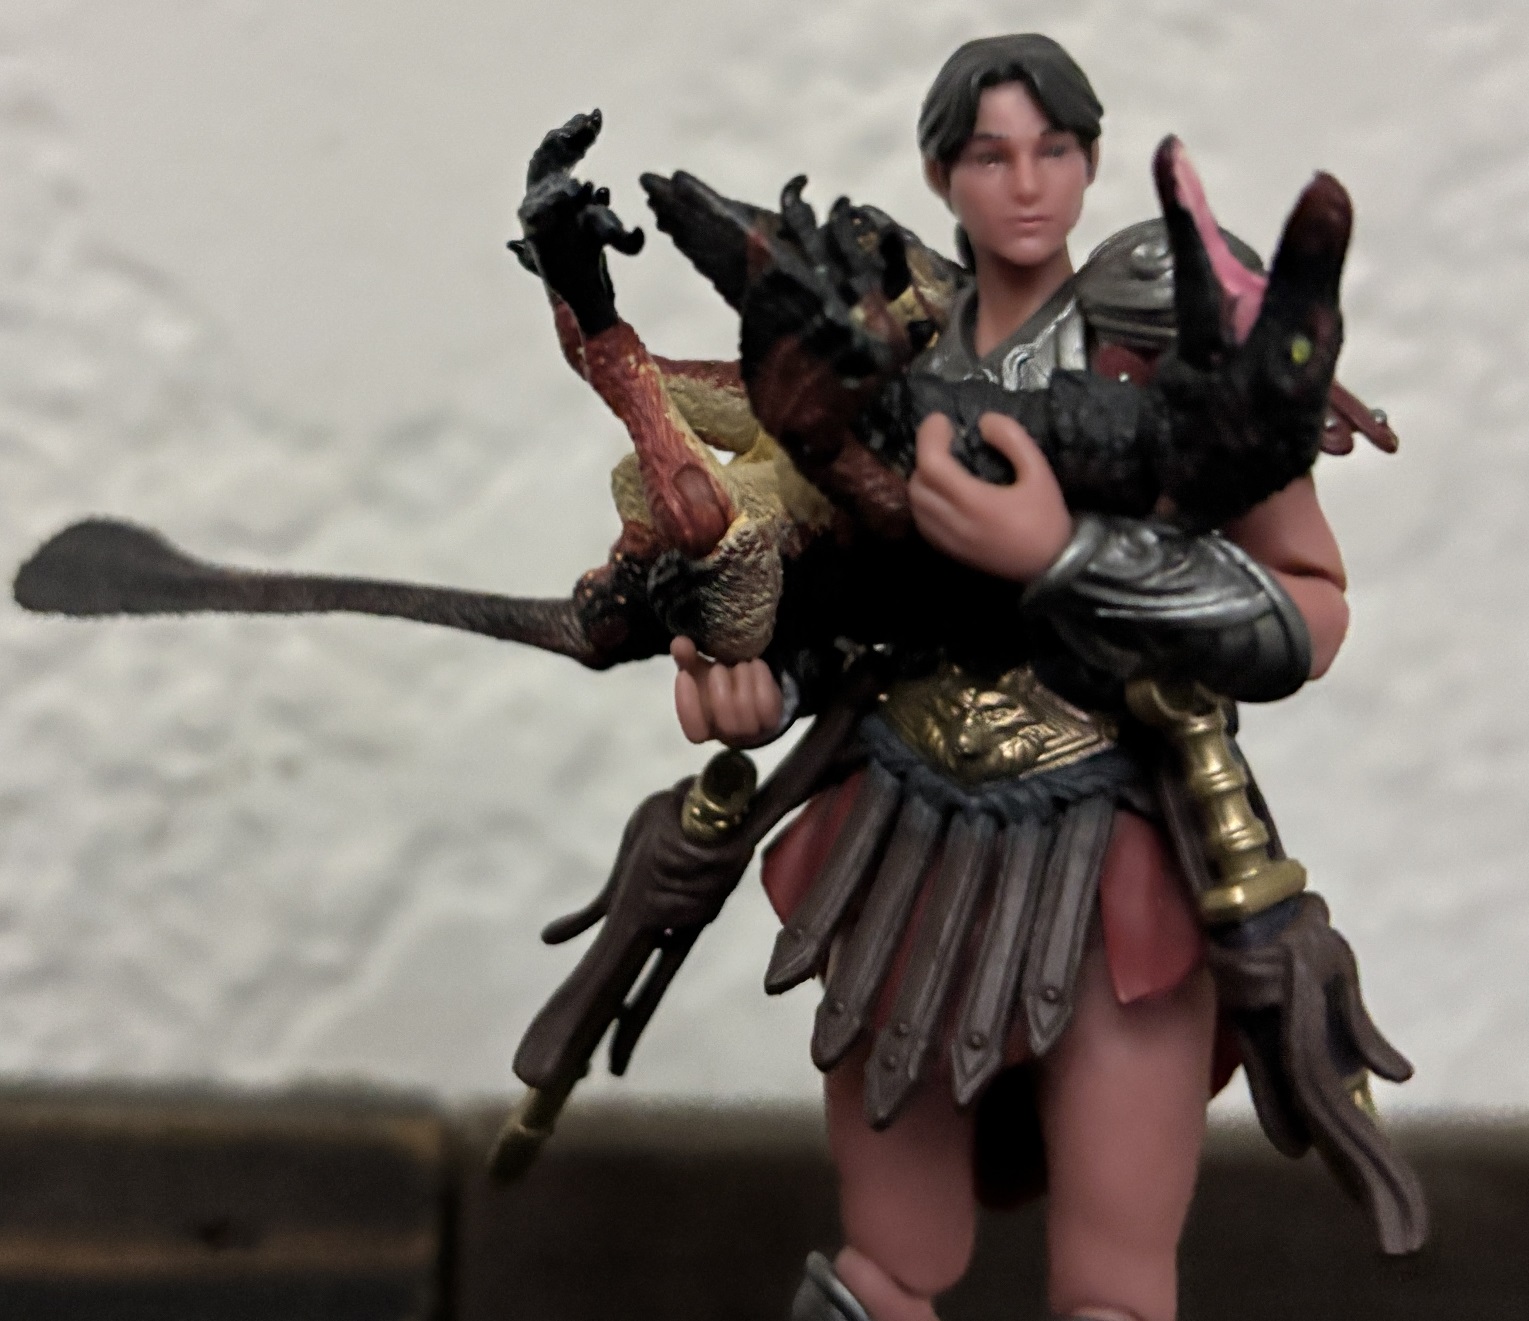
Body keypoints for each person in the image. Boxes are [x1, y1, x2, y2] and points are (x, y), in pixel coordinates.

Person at [673, 34, 1352, 1321]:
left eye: (1052, 149)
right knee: (886, 1265)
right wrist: (753, 666)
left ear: (1090, 162)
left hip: (1114, 850)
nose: (1025, 183)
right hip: (899, 846)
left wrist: (1066, 555)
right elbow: (834, 584)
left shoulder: (1161, 335)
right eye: (989, 154)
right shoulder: (882, 334)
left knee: (1112, 1281)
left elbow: (1306, 613)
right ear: (942, 173)